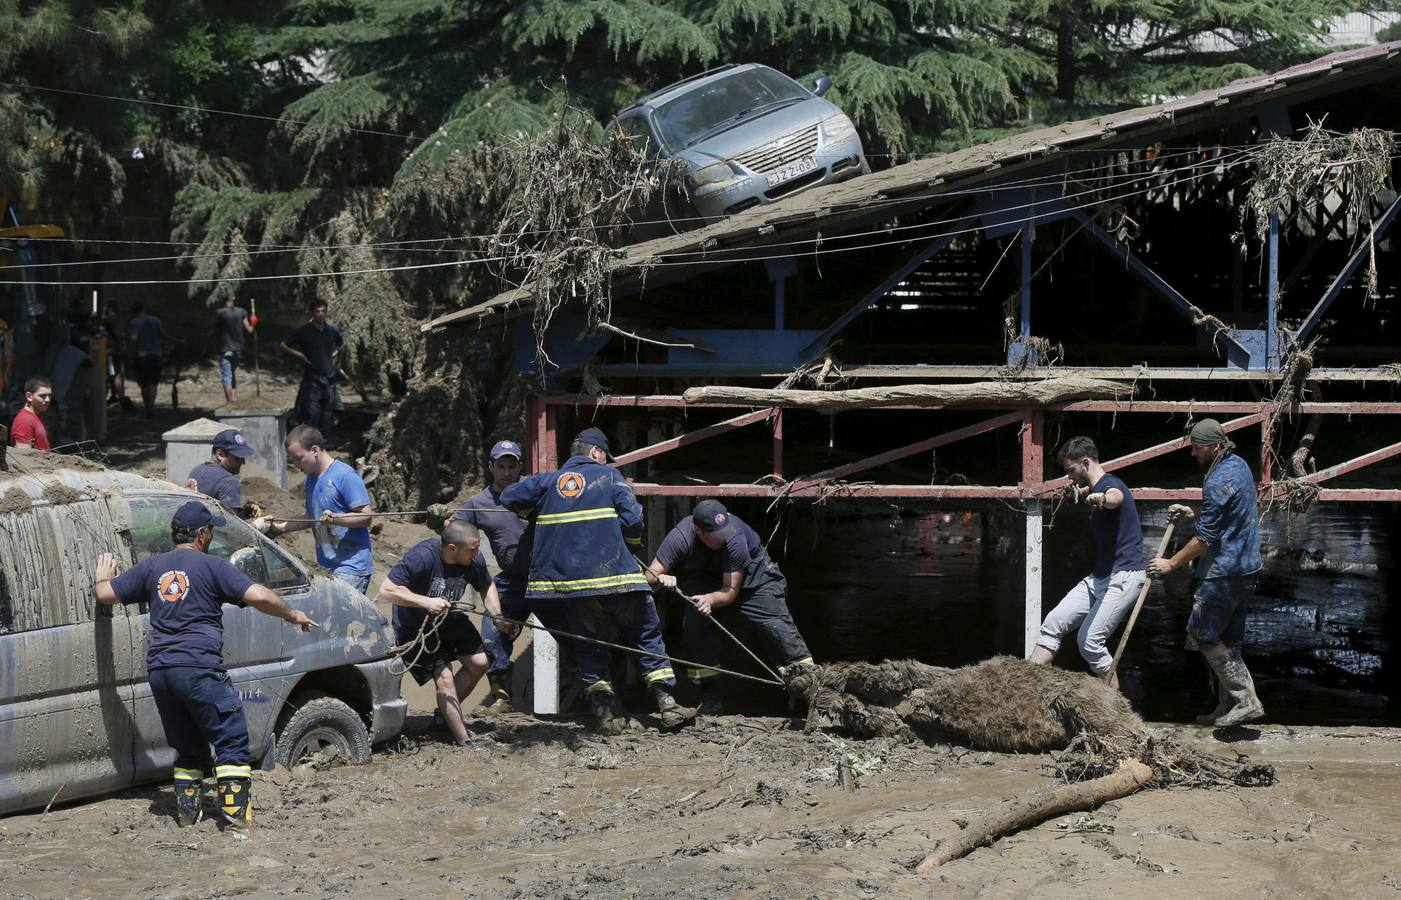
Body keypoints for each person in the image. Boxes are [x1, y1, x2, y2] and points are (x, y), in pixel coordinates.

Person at [93, 501, 316, 828]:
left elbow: (106, 594)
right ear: (201, 535)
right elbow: (260, 597)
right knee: (233, 738)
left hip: (161, 674)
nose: (211, 534)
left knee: (188, 747)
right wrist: (292, 614)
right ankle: (237, 820)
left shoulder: (152, 567)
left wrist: (101, 578)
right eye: (209, 529)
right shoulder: (214, 566)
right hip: (201, 670)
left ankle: (188, 817)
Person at [500, 426, 695, 733]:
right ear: (595, 452)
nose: (606, 461)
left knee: (591, 646)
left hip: (574, 589)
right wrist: (631, 546)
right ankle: (667, 705)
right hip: (617, 579)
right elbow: (633, 519)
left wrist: (534, 507)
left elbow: (509, 496)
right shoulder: (610, 477)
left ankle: (603, 711)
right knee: (645, 637)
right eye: (605, 456)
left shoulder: (547, 482)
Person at [1148, 419, 1265, 727]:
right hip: (1246, 567)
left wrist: (1171, 564)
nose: (1193, 454)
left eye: (1197, 448)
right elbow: (1228, 518)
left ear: (1214, 446)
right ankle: (1228, 709)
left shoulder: (1215, 482)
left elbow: (1206, 538)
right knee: (1227, 640)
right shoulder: (1239, 465)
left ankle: (1245, 700)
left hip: (1223, 572)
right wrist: (1193, 514)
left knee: (1203, 633)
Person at [647, 500, 814, 715]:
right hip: (706, 577)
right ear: (698, 530)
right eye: (717, 534)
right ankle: (711, 696)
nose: (723, 536)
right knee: (695, 627)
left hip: (753, 578)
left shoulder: (735, 538)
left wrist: (710, 600)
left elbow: (730, 590)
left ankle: (812, 692)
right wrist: (660, 579)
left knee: (777, 627)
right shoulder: (680, 537)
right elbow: (649, 576)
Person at [453, 439, 569, 713]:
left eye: (512, 466)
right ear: (491, 467)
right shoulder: (479, 502)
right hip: (513, 580)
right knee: (492, 633)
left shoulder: (536, 490)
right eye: (501, 466)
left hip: (549, 577)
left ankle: (594, 694)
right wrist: (439, 520)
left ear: (520, 467)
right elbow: (454, 528)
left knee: (574, 633)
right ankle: (502, 696)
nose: (507, 472)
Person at [378, 520, 510, 746]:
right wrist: (425, 602)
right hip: (415, 627)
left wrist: (496, 613)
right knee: (445, 677)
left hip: (449, 619)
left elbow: (486, 585)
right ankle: (464, 741)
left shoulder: (473, 558)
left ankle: (443, 716)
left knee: (479, 662)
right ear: (451, 549)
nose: (478, 554)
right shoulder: (422, 557)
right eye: (472, 549)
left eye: (478, 547)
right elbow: (386, 591)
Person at [1029, 437, 1146, 689]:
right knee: (1052, 623)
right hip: (1101, 576)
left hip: (1125, 576)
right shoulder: (1094, 486)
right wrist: (1084, 493)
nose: (1069, 477)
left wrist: (1102, 500)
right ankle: (1029, 691)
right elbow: (1089, 489)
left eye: (1071, 471)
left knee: (1089, 643)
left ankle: (1115, 707)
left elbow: (1116, 497)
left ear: (1085, 462)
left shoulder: (1112, 485)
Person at [266, 424, 374, 593]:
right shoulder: (311, 478)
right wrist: (279, 528)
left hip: (350, 567)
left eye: (298, 458)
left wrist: (336, 518)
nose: (295, 465)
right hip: (327, 566)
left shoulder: (344, 476)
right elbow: (312, 517)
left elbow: (366, 517)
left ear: (315, 450)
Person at [280, 300, 343, 435]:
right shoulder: (304, 331)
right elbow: (284, 344)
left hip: (329, 376)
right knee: (312, 411)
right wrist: (301, 355)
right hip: (312, 377)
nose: (321, 314)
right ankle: (311, 439)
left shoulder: (332, 330)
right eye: (317, 311)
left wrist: (333, 354)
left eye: (323, 311)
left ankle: (324, 440)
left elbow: (340, 344)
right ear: (312, 313)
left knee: (328, 410)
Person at [185, 429, 254, 511]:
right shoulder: (228, 481)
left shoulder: (197, 470)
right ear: (220, 455)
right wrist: (258, 524)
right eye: (237, 457)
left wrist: (243, 513)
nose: (243, 462)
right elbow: (230, 523)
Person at [127, 302, 175, 418]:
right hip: (156, 355)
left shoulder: (133, 322)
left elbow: (134, 338)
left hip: (141, 356)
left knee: (144, 383)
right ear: (144, 309)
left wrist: (124, 337)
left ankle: (147, 406)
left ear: (133, 311)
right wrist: (177, 340)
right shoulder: (156, 320)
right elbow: (163, 335)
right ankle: (151, 408)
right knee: (153, 383)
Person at [212, 297, 254, 406]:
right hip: (238, 350)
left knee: (227, 377)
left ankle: (230, 403)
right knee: (232, 374)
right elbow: (250, 330)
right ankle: (234, 400)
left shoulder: (219, 313)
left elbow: (213, 331)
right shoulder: (241, 312)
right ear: (234, 297)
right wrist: (253, 322)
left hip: (225, 350)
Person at [9, 375, 52, 450]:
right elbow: (23, 455)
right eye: (42, 396)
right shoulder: (24, 420)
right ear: (29, 396)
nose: (48, 399)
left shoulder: (33, 417)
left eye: (49, 395)